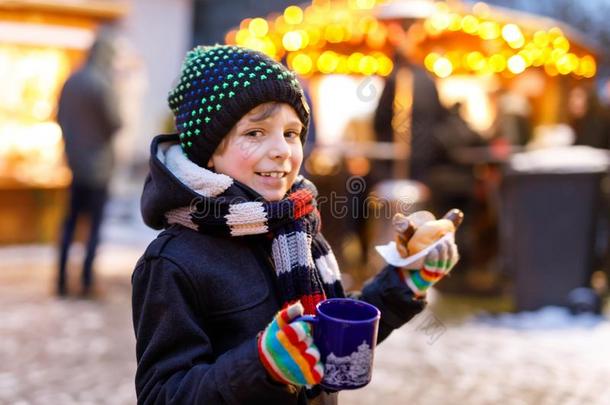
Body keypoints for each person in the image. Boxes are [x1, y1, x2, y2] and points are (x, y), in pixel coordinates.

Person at [131, 45, 460, 404]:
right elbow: (162, 395)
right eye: (255, 133)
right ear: (208, 151)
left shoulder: (293, 226)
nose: (282, 150)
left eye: (291, 133)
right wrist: (263, 365)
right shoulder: (171, 262)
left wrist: (403, 280)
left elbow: (330, 333)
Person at [56, 31, 122, 297]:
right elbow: (115, 122)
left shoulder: (71, 81)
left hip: (74, 162)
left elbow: (59, 117)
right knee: (93, 226)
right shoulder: (102, 84)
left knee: (70, 223)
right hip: (98, 167)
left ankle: (61, 278)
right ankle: (85, 279)